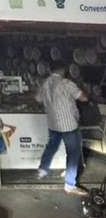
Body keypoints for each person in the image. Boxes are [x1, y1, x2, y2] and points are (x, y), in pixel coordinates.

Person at [36, 61, 87, 195]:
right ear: (63, 70)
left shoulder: (45, 84)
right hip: (68, 124)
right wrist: (85, 92)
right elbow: (83, 98)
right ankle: (70, 185)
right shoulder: (66, 83)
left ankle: (42, 170)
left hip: (53, 123)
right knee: (73, 153)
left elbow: (38, 99)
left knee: (52, 146)